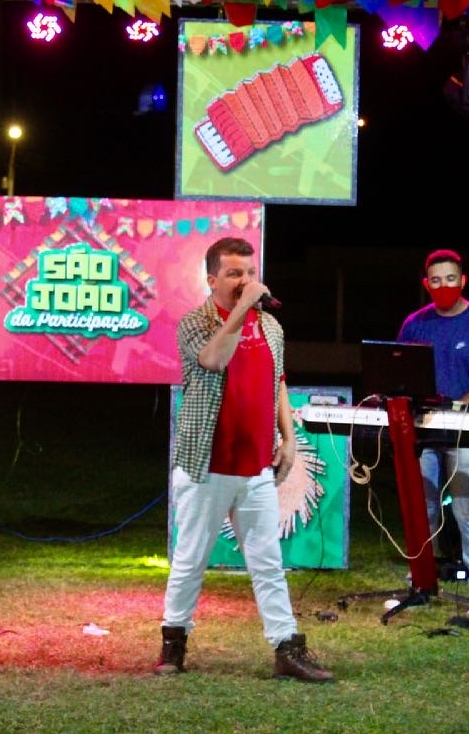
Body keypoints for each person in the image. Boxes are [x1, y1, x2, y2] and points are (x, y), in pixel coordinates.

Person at [155, 237, 332, 682]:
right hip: (206, 465)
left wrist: (289, 438)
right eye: (234, 273)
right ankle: (174, 643)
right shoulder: (194, 322)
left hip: (255, 467)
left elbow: (278, 382)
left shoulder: (270, 326)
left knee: (268, 561)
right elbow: (214, 359)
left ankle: (287, 648)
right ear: (212, 279)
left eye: (250, 273)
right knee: (191, 558)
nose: (245, 280)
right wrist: (241, 310)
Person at [397, 249, 469, 615]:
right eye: (436, 280)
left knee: (466, 508)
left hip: (467, 430)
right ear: (427, 284)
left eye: (450, 279)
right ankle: (420, 584)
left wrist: (456, 407)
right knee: (422, 508)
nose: (443, 286)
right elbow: (399, 373)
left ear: (463, 281)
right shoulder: (414, 324)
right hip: (424, 430)